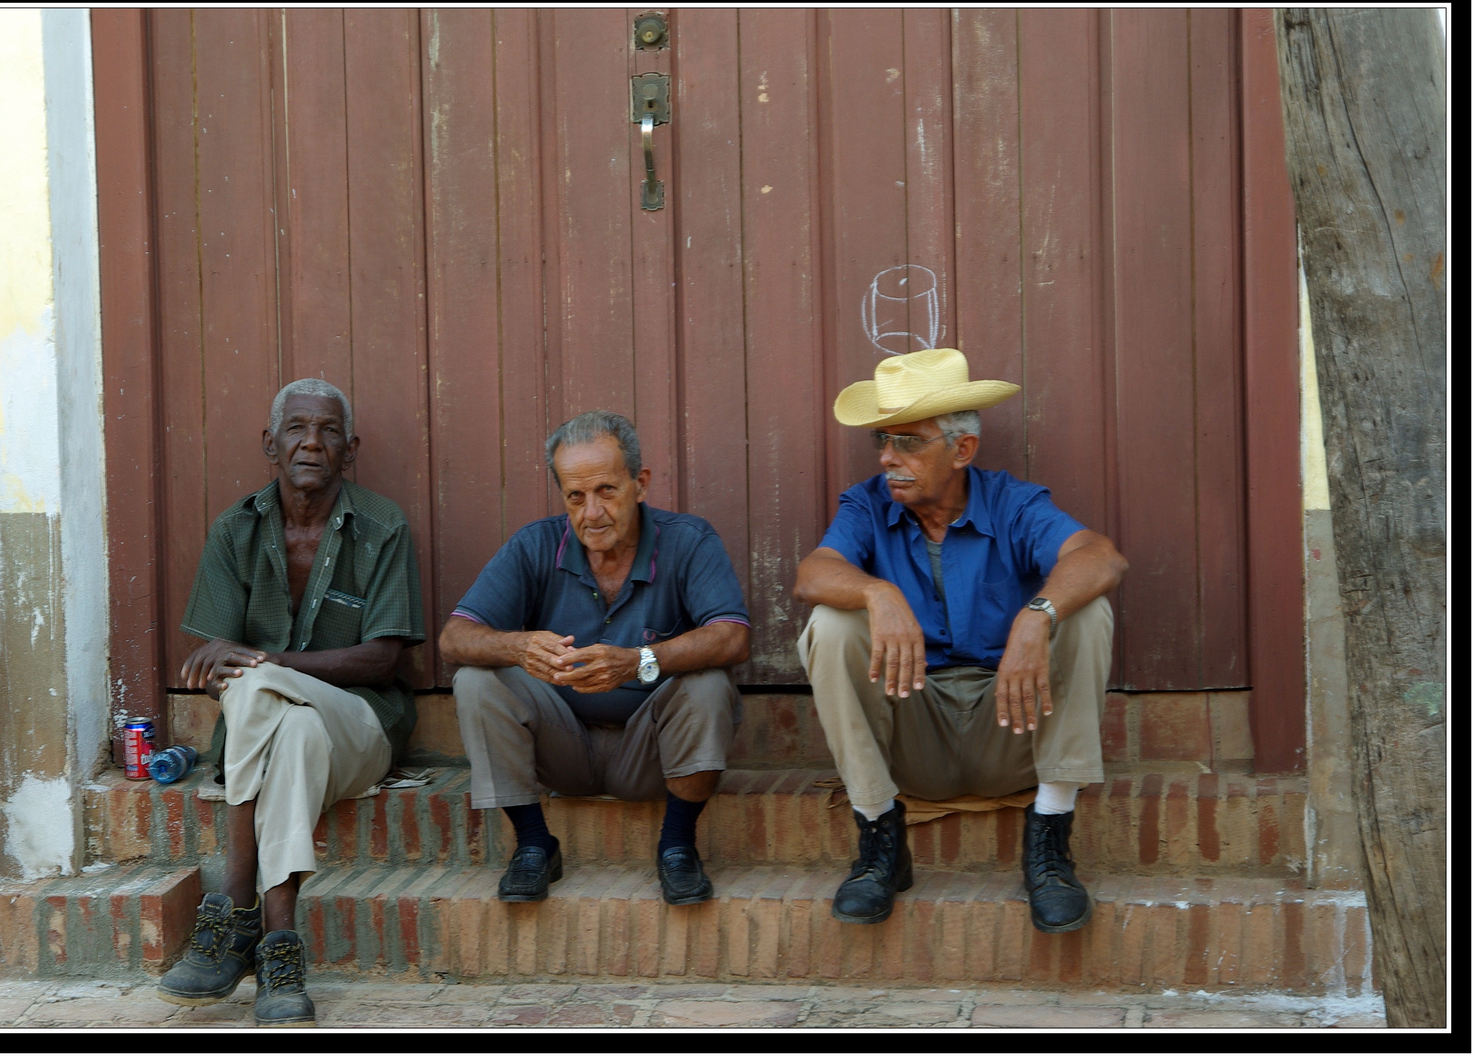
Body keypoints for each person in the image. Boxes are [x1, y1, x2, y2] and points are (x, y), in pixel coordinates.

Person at [793, 348, 1128, 932]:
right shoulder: (866, 504)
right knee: (831, 621)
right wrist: (878, 593)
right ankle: (878, 839)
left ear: (962, 449)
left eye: (909, 442)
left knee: (1086, 611)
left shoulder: (1013, 502)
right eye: (883, 440)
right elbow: (812, 573)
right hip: (911, 739)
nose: (888, 457)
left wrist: (1037, 614)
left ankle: (1050, 840)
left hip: (1014, 727)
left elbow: (1100, 557)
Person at [156, 378, 426, 1026]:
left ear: (349, 448)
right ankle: (279, 949)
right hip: (283, 736)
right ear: (269, 443)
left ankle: (233, 905)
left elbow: (384, 658)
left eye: (328, 430)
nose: (311, 441)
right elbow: (213, 653)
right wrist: (256, 669)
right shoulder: (236, 529)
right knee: (290, 727)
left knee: (254, 681)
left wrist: (267, 662)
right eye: (297, 428)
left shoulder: (383, 527)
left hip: (361, 724)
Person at [439, 411, 751, 907]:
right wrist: (517, 646)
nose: (592, 513)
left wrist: (639, 660)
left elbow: (732, 636)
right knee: (478, 680)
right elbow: (454, 638)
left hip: (651, 752)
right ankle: (535, 844)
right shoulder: (535, 545)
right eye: (575, 497)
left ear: (640, 483)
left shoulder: (688, 541)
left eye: (607, 490)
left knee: (708, 683)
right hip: (562, 748)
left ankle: (677, 845)